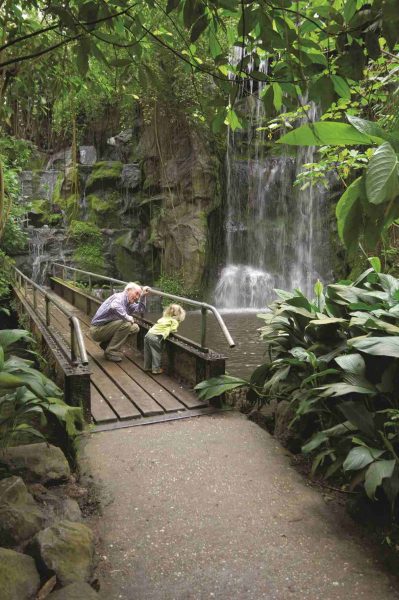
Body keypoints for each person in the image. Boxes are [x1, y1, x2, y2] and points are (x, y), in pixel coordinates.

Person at [90, 282, 150, 362]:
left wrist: (143, 296)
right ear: (128, 290)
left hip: (106, 328)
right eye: (136, 294)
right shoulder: (120, 297)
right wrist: (128, 317)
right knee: (127, 323)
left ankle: (107, 345)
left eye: (139, 295)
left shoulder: (128, 302)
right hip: (97, 330)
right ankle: (110, 352)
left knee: (135, 328)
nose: (137, 297)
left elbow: (140, 310)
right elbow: (114, 306)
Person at [144, 303, 186, 374]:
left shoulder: (163, 318)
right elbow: (173, 329)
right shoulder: (174, 321)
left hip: (148, 334)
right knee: (156, 353)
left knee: (148, 352)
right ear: (178, 315)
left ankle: (147, 367)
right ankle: (156, 369)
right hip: (155, 337)